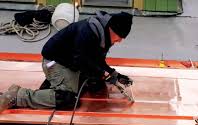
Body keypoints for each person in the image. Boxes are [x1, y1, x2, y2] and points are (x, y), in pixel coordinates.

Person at [0, 11, 133, 112]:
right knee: (67, 99)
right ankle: (17, 96)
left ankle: (52, 86)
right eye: (120, 36)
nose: (120, 40)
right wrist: (103, 74)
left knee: (95, 82)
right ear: (112, 29)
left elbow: (96, 60)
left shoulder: (103, 34)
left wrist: (114, 74)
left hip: (70, 62)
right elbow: (82, 60)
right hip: (54, 62)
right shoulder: (87, 32)